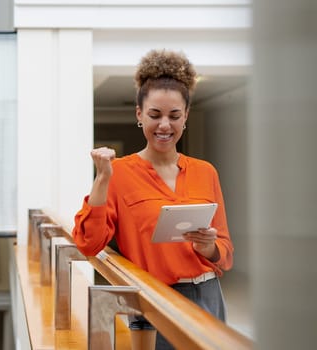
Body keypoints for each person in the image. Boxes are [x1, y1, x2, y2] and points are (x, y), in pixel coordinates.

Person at [72, 49, 234, 349]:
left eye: (174, 116)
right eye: (154, 115)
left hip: (210, 296)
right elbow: (88, 244)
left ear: (185, 116)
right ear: (139, 114)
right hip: (156, 299)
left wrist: (209, 246)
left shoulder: (205, 172)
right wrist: (102, 178)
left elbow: (225, 252)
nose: (164, 126)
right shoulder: (118, 173)